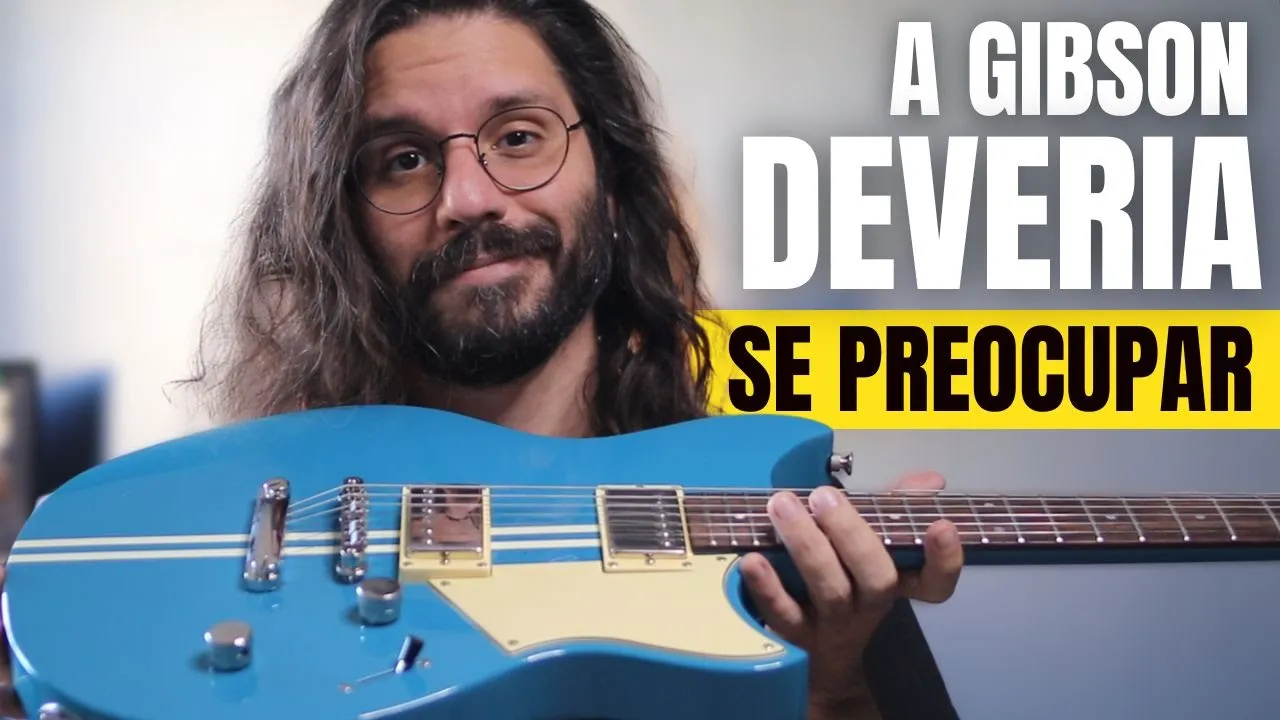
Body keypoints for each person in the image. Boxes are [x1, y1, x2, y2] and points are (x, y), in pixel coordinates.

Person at [0, 1, 965, 718]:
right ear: (339, 227)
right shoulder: (238, 539)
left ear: (613, 188)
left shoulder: (769, 527)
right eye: (403, 158)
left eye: (519, 136)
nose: (468, 197)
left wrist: (828, 689)